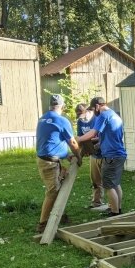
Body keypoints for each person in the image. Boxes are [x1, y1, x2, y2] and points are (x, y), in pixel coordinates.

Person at [35, 94, 81, 233]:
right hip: (50, 162)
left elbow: (51, 139)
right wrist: (78, 156)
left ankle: (60, 215)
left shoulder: (42, 118)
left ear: (50, 105)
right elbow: (72, 142)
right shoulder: (61, 120)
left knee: (59, 186)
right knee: (53, 191)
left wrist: (65, 155)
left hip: (47, 159)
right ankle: (42, 224)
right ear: (63, 107)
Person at [77, 97, 127, 217]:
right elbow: (105, 136)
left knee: (108, 186)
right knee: (115, 184)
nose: (94, 112)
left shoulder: (103, 115)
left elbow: (93, 133)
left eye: (94, 109)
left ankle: (114, 212)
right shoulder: (115, 115)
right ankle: (118, 209)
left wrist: (77, 139)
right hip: (119, 154)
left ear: (98, 106)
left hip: (111, 156)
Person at [75, 103, 106, 210]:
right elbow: (79, 137)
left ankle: (113, 205)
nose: (80, 118)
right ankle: (97, 202)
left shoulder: (97, 119)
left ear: (88, 111)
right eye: (78, 115)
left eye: (81, 115)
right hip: (93, 154)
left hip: (103, 153)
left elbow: (100, 137)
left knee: (108, 181)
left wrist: (86, 139)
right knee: (95, 181)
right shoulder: (80, 122)